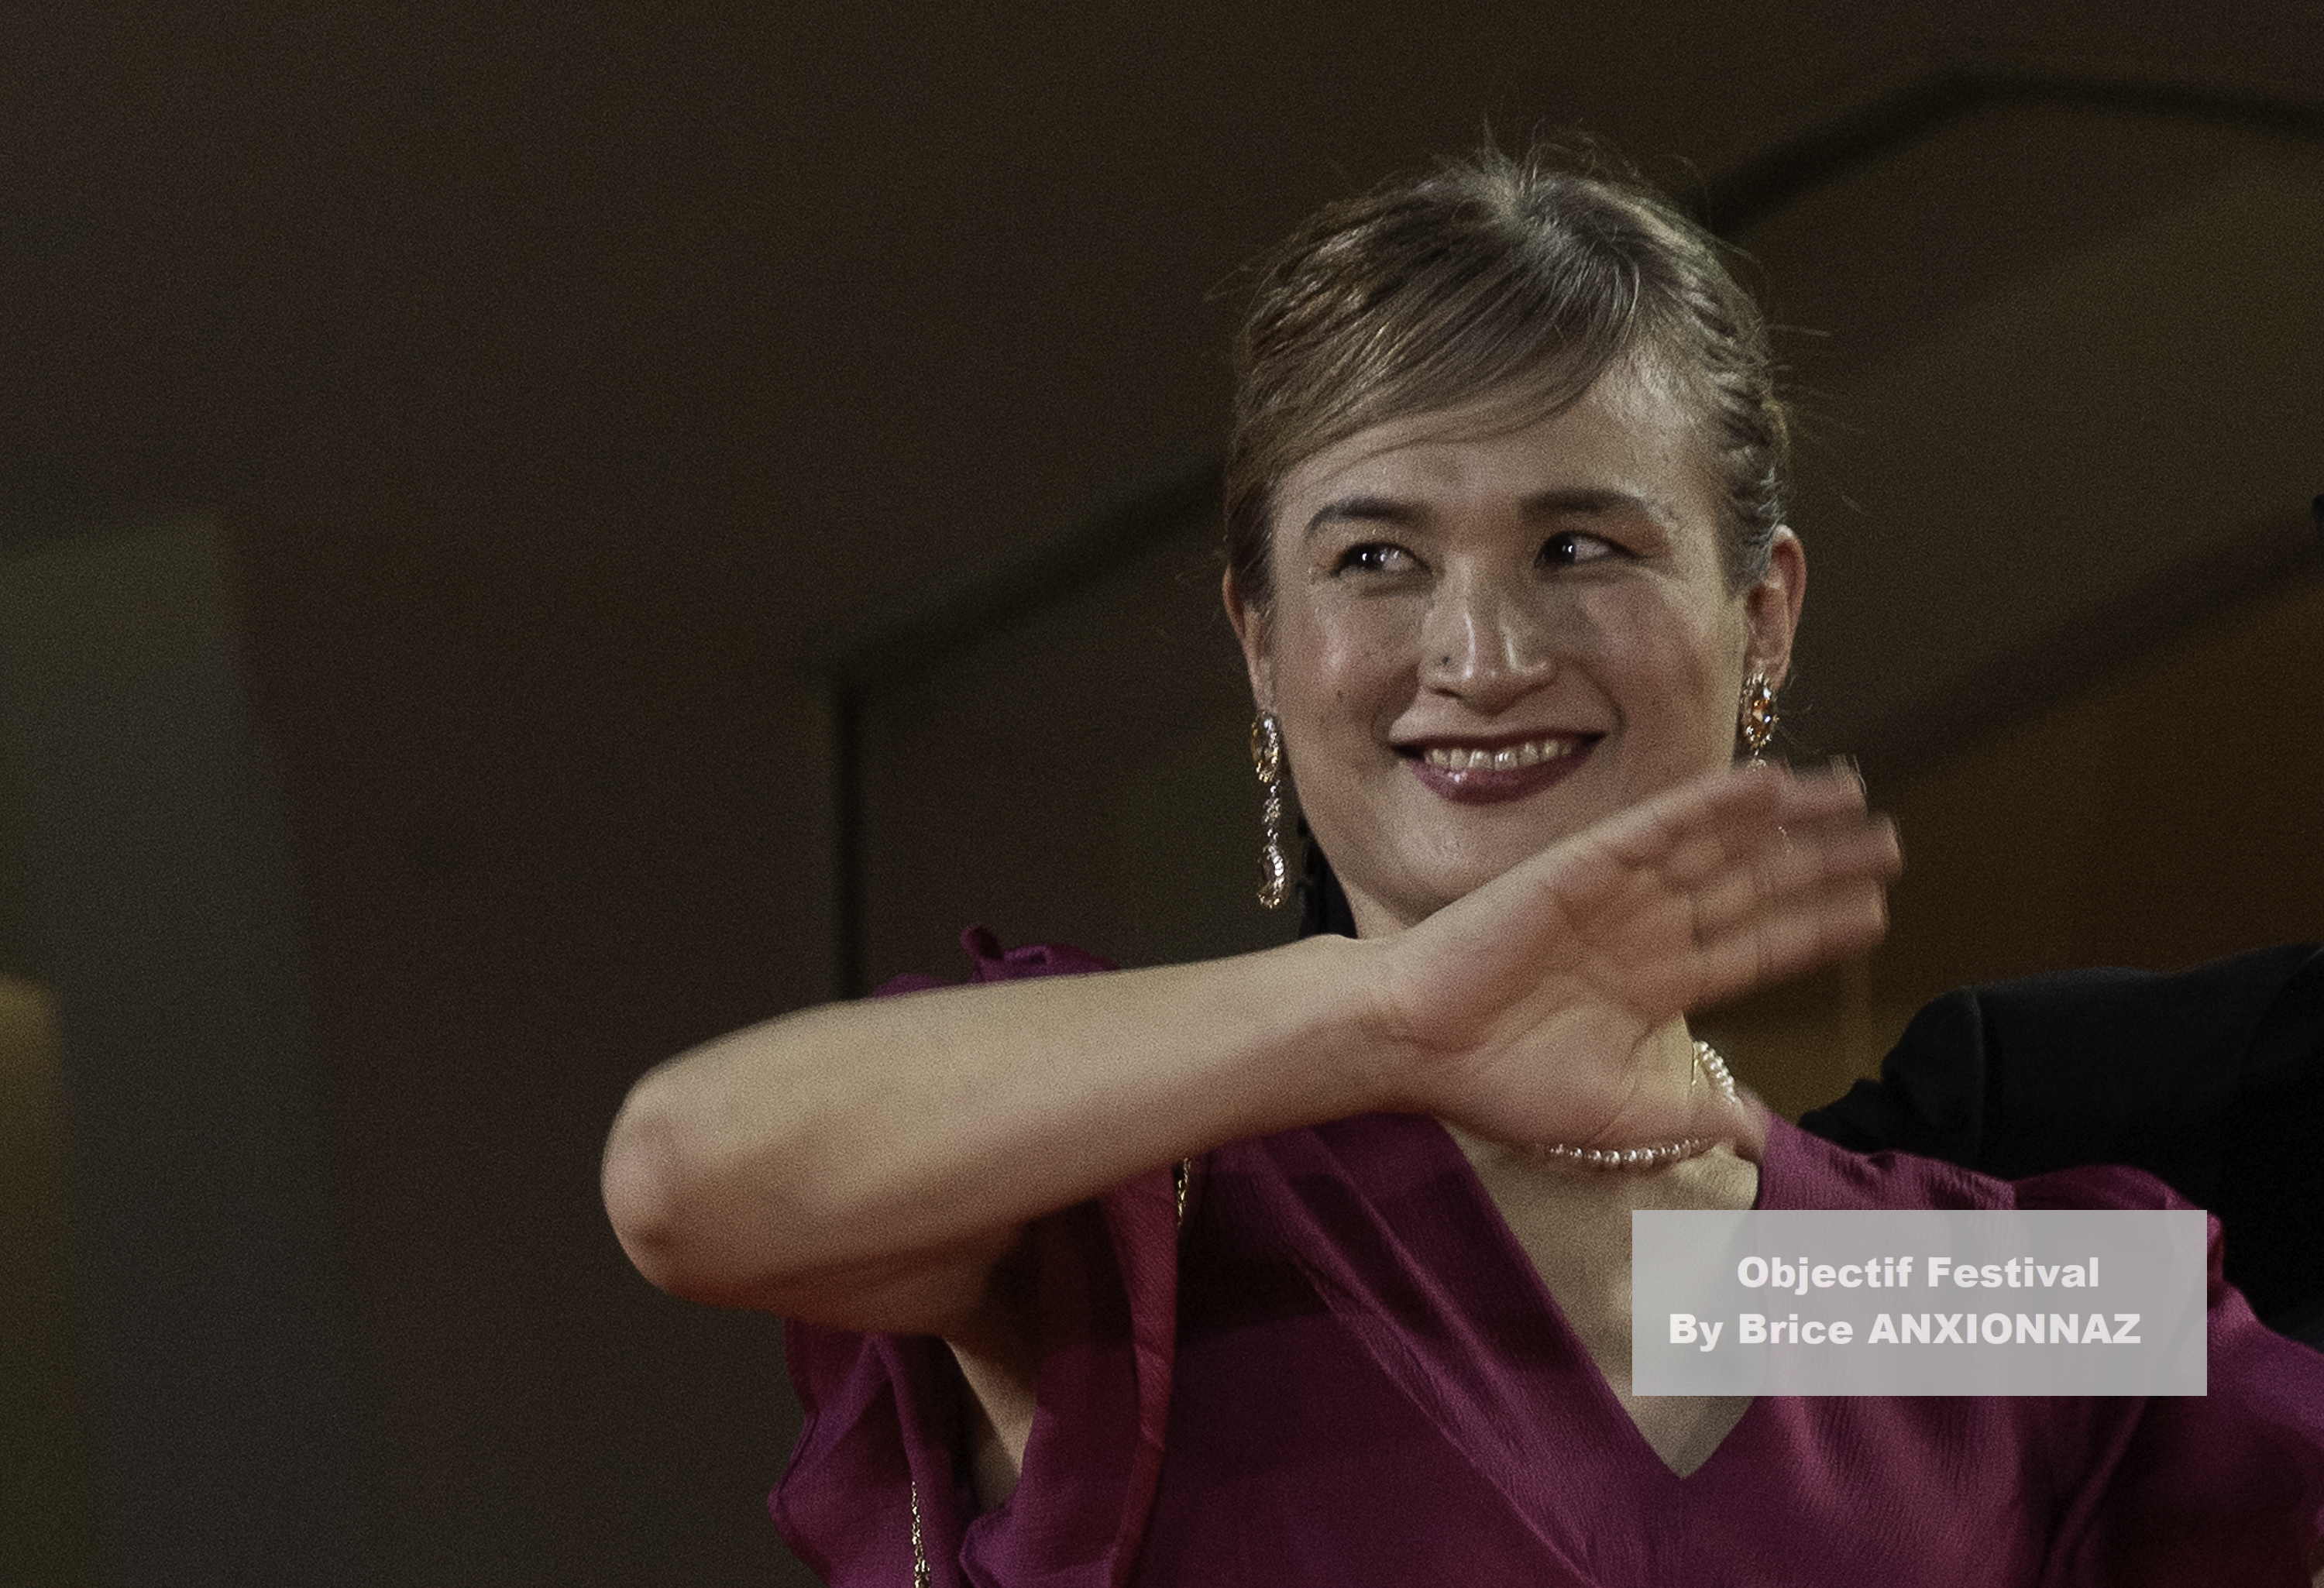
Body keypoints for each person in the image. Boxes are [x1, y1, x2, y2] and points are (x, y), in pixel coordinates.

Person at [601, 146, 2324, 1585]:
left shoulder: (1926, 1283)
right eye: (1375, 557)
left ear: (1764, 612)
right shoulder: (1134, 1203)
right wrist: (1388, 1014)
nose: (1484, 647)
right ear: (1261, 647)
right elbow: (685, 1173)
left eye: (1581, 542)